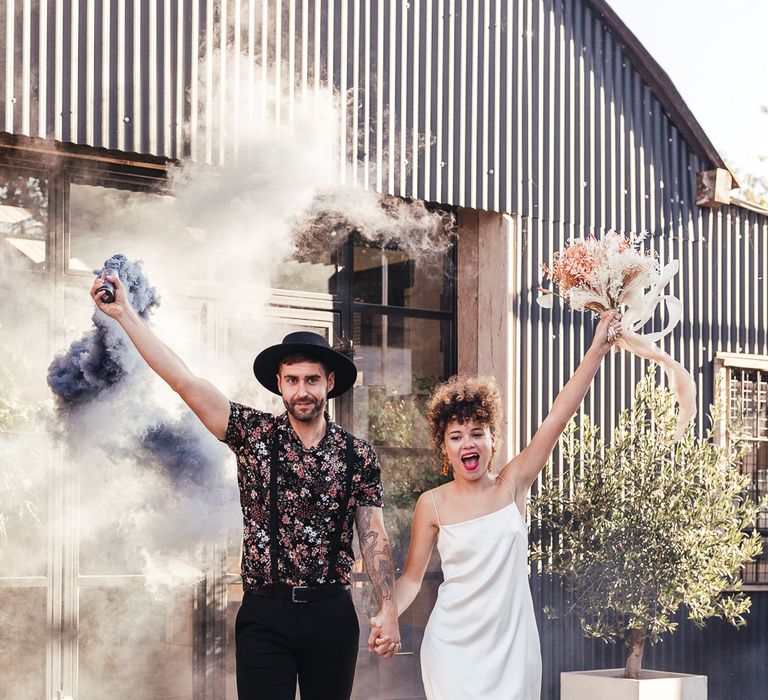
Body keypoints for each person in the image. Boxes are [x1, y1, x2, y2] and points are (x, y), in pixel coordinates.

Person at [91, 271, 400, 700]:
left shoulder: (358, 454)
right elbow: (185, 381)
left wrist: (388, 606)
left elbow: (373, 536)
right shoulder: (253, 435)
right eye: (292, 380)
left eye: (312, 379)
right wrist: (125, 313)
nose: (302, 390)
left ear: (329, 382)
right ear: (279, 384)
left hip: (331, 612)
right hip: (265, 613)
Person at [369, 311, 623, 699]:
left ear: (491, 439)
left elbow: (558, 416)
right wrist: (389, 613)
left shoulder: (512, 483)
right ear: (445, 448)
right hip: (452, 650)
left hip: (513, 649)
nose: (467, 443)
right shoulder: (431, 504)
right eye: (456, 437)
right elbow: (412, 579)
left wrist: (597, 350)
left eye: (477, 433)